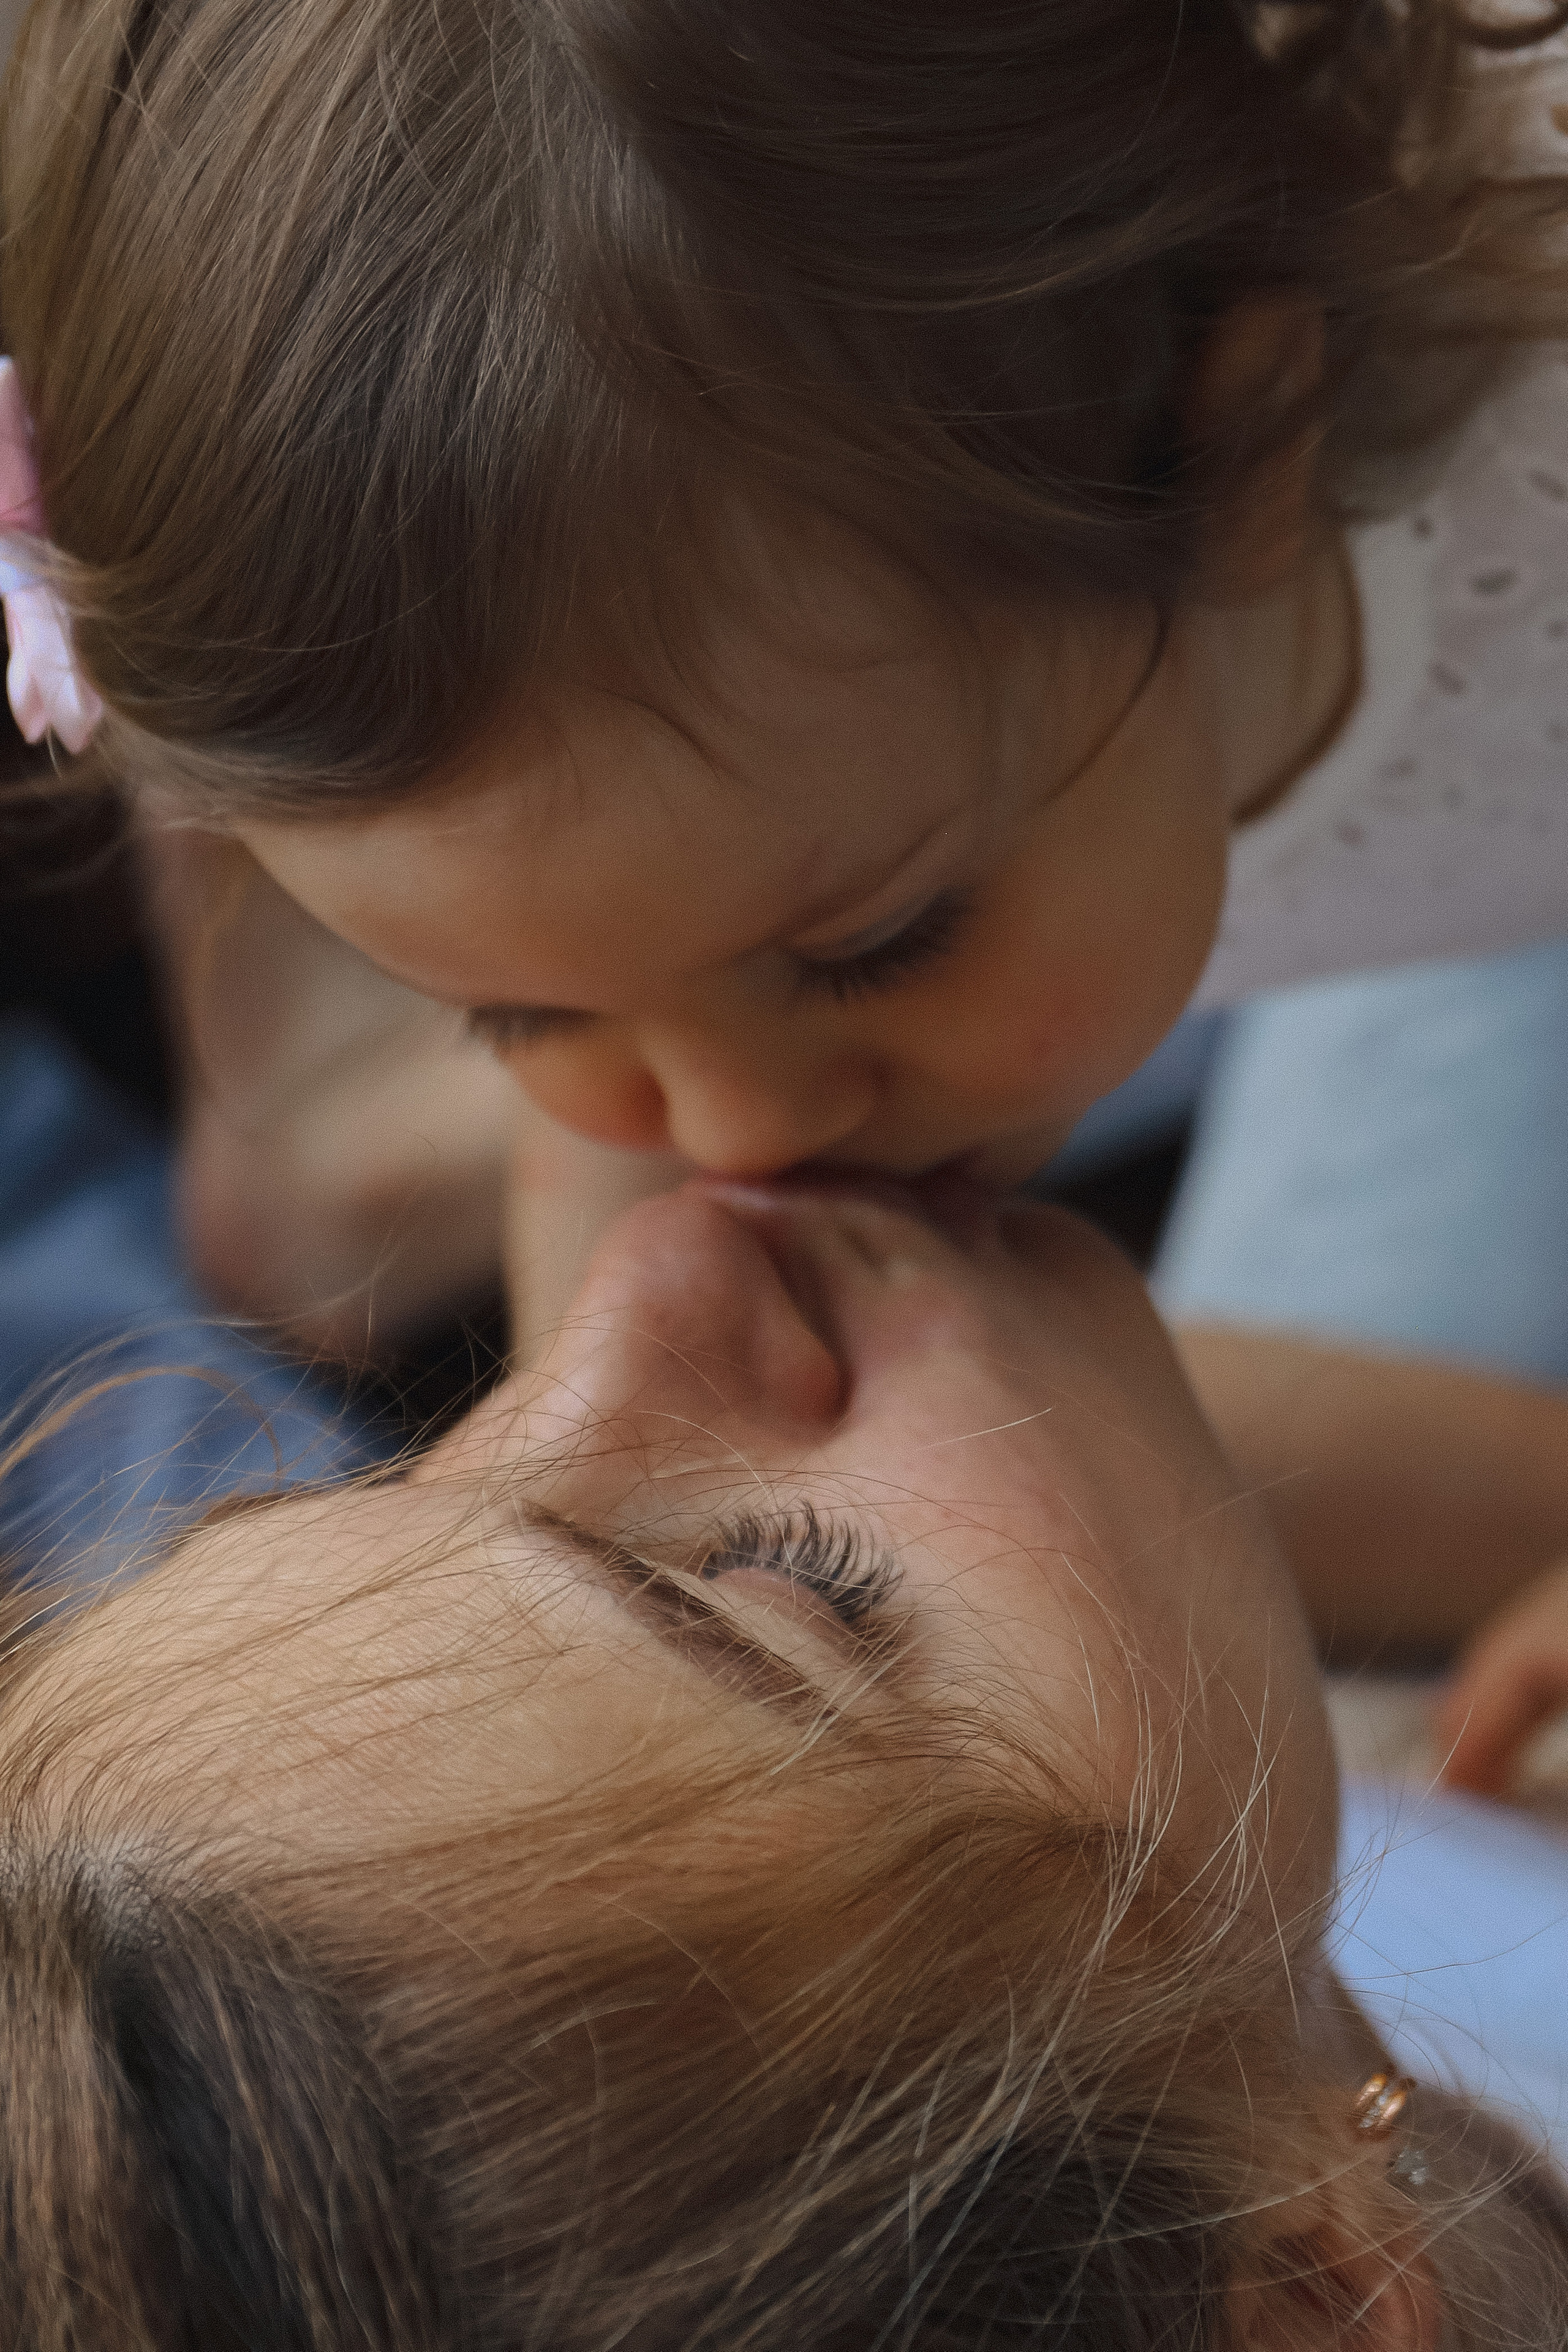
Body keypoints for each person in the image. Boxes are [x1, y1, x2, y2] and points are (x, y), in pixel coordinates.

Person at [5, 6, 1568, 1805]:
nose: (728, 1135)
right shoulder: (796, 836)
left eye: (865, 946)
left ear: (1233, 461)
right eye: (519, 1014)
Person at [0, 1169, 1564, 2346]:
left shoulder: (1223, 1982)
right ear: (1305, 2303)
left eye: (408, 1473)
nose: (654, 1250)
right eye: (789, 1583)